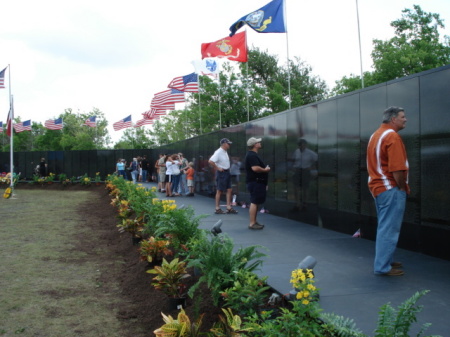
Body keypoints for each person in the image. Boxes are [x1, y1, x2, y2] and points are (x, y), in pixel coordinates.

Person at [367, 106, 409, 276]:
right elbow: (397, 169)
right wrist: (401, 186)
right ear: (393, 119)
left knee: (386, 226)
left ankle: (387, 259)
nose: (405, 119)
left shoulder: (376, 135)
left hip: (378, 187)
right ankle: (383, 267)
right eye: (402, 116)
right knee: (389, 228)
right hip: (390, 188)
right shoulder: (392, 136)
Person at [245, 137, 270, 230]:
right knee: (254, 202)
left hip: (257, 182)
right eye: (258, 142)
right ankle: (252, 223)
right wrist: (265, 170)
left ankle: (254, 222)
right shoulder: (252, 155)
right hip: (255, 182)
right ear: (255, 145)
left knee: (256, 202)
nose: (260, 143)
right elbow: (255, 168)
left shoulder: (252, 155)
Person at [208, 138, 237, 214]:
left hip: (227, 172)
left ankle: (228, 207)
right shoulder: (218, 152)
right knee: (219, 190)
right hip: (222, 173)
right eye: (228, 143)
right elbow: (210, 161)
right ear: (224, 144)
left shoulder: (225, 151)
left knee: (229, 189)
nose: (229, 145)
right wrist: (218, 168)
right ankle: (217, 208)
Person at [291, 138, 318, 211]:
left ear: (305, 145)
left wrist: (313, 169)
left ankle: (305, 204)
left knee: (305, 188)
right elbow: (294, 160)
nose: (301, 146)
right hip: (297, 170)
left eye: (302, 144)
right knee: (296, 188)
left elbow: (316, 160)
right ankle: (297, 204)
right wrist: (293, 167)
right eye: (299, 144)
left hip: (306, 170)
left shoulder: (310, 153)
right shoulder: (297, 151)